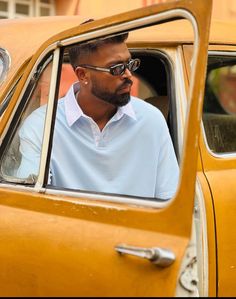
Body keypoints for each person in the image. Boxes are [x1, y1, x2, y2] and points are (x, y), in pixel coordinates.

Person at [17, 29, 179, 200]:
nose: (128, 74)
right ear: (82, 74)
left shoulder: (151, 120)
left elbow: (169, 199)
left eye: (130, 64)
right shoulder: (41, 126)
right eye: (116, 68)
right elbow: (30, 203)